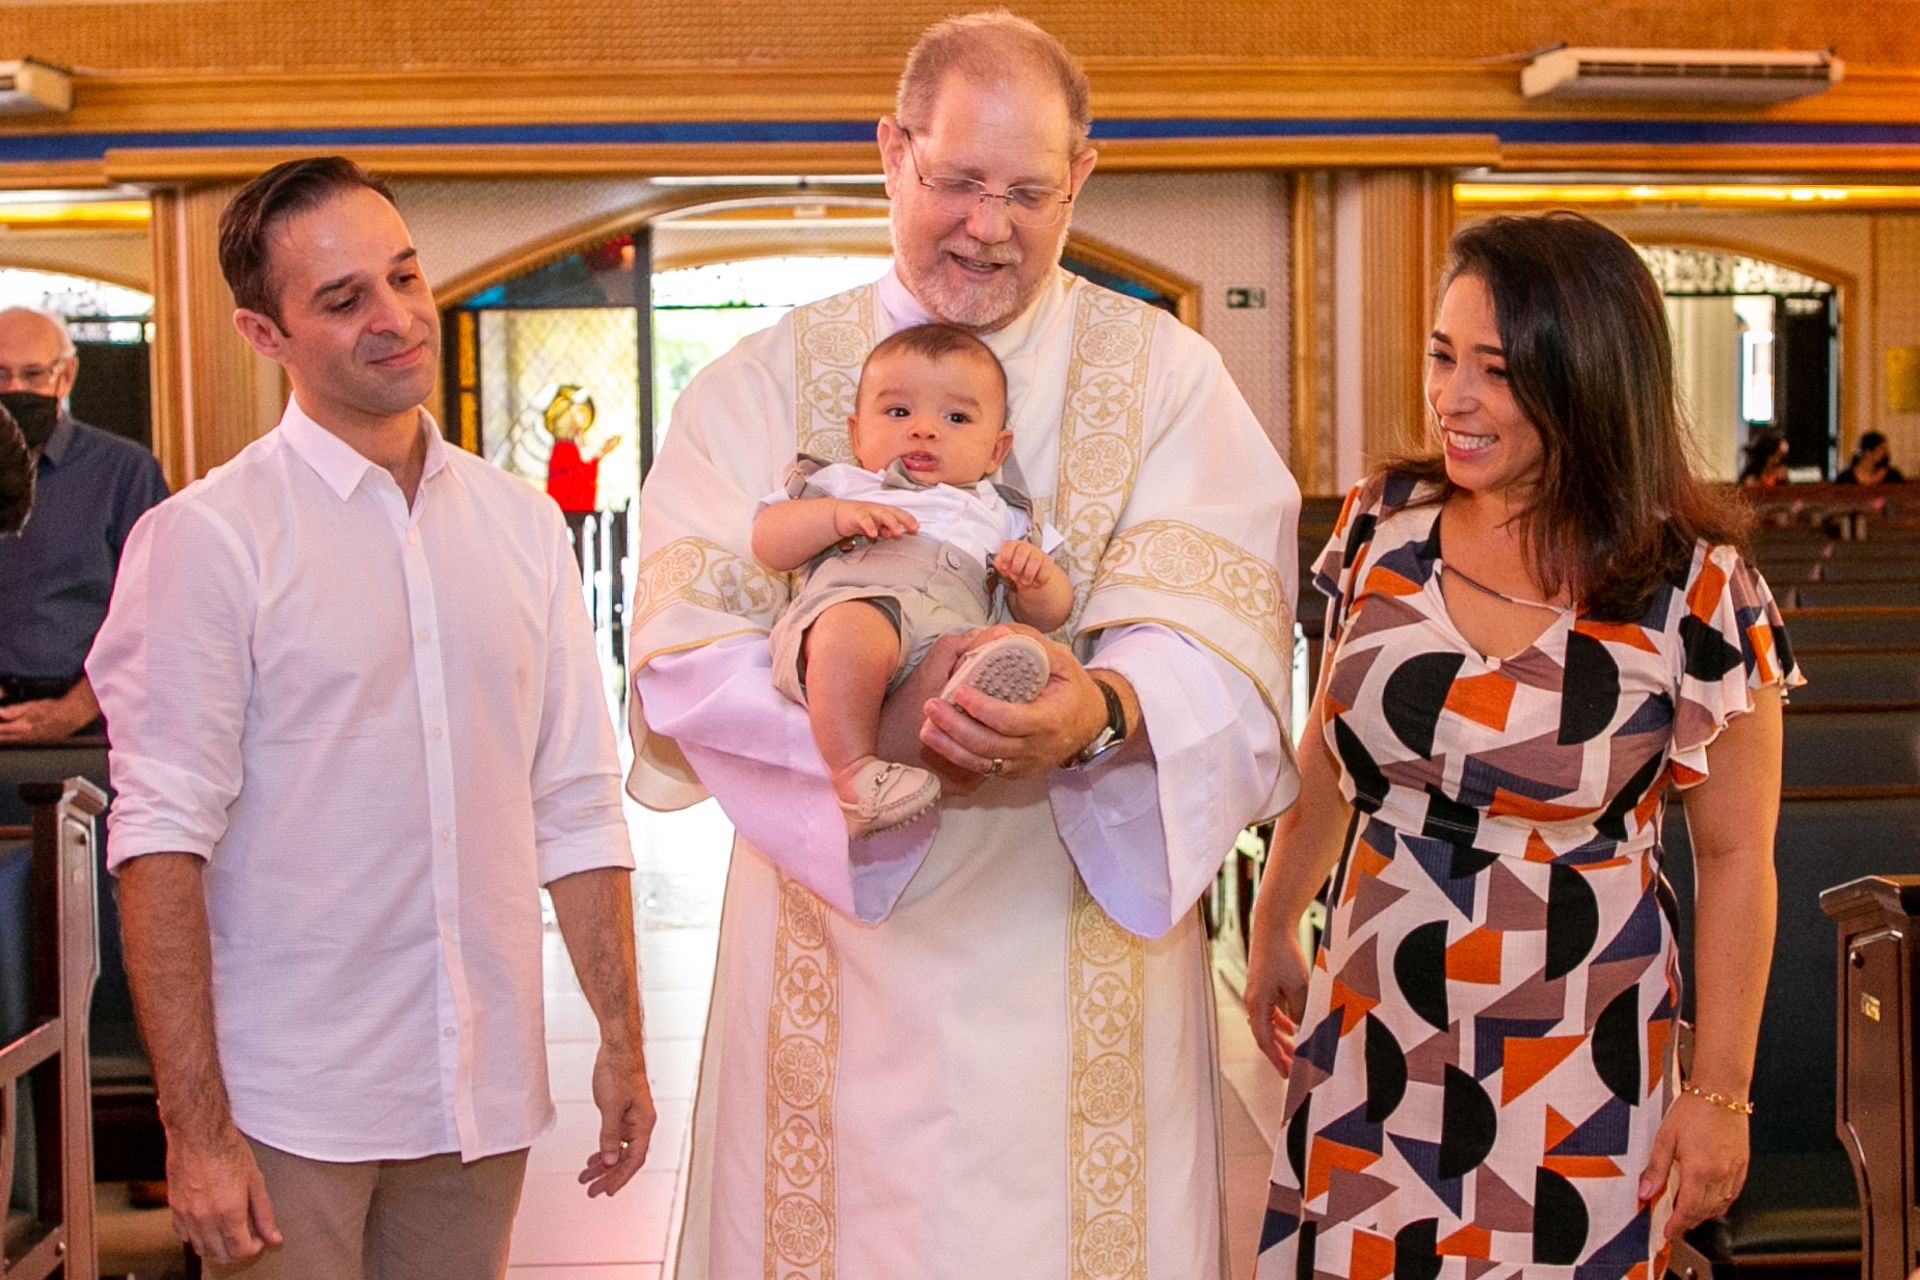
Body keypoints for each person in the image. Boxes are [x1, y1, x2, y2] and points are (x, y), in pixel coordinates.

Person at [628, 12, 1300, 1276]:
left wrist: (1098, 710)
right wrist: (887, 727)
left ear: (1082, 178)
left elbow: (1231, 626)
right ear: (892, 154)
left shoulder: (1164, 376)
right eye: (956, 182)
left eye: (1028, 192)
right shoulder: (770, 375)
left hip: (1082, 934)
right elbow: (680, 638)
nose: (989, 225)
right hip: (839, 940)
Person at [87, 156, 655, 1279]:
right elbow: (159, 847)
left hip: (477, 1086)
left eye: (403, 276)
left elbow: (577, 802)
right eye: (344, 300)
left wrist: (621, 1039)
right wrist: (195, 1128)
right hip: (291, 1101)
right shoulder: (209, 540)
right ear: (263, 333)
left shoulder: (520, 525)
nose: (396, 318)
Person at [1245, 211, 1796, 1279]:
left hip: (1577, 1045)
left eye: (1496, 371)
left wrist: (1719, 1090)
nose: (1453, 397)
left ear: (1586, 377)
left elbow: (1736, 858)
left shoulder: (1696, 583)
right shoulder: (1383, 522)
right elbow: (1329, 743)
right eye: (1444, 357)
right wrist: (1275, 917)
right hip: (1377, 1020)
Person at [753, 323, 1070, 837]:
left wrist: (1036, 582)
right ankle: (854, 773)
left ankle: (957, 726)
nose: (924, 429)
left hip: (943, 643)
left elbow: (1054, 611)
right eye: (898, 412)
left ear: (997, 449)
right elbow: (768, 540)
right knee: (854, 628)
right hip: (859, 608)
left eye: (957, 417)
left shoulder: (1004, 514)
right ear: (857, 436)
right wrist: (836, 517)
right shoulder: (843, 484)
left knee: (1008, 642)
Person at [0, 306, 168, 741]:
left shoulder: (123, 472)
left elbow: (159, 610)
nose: (15, 389)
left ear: (66, 375)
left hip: (85, 731)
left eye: (33, 374)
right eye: (0, 375)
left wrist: (71, 712)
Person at [1835, 430, 1906, 486]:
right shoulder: (1846, 478)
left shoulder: (1893, 476)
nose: (1885, 453)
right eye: (1881, 449)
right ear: (1867, 452)